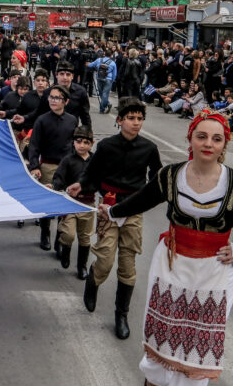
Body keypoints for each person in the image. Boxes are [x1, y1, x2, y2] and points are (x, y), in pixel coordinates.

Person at [94, 110, 233, 386]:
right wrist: (112, 212)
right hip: (172, 265)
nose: (208, 143)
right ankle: (154, 374)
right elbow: (140, 200)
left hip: (215, 272)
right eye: (202, 136)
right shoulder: (171, 176)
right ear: (190, 138)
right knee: (164, 332)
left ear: (224, 145)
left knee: (198, 345)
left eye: (216, 139)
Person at [67, 97, 162, 339]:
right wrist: (82, 185)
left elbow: (157, 179)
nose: (136, 123)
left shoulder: (149, 148)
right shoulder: (107, 146)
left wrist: (153, 194)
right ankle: (93, 281)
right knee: (106, 260)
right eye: (131, 118)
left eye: (140, 119)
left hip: (133, 210)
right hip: (107, 208)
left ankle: (121, 314)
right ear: (119, 120)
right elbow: (91, 173)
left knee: (128, 265)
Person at [29, 85, 77, 250]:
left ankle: (59, 237)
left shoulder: (72, 120)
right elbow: (34, 145)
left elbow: (75, 145)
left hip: (67, 167)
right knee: (48, 203)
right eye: (51, 97)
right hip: (48, 165)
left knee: (63, 203)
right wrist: (35, 166)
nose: (53, 100)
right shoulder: (42, 120)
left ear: (66, 101)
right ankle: (45, 233)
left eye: (57, 98)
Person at [52, 125, 95, 279]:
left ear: (92, 143)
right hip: (69, 203)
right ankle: (65, 250)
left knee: (85, 236)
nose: (82, 145)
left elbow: (100, 180)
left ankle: (82, 266)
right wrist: (55, 186)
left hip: (88, 204)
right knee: (69, 234)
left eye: (85, 142)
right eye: (78, 141)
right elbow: (58, 177)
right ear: (73, 143)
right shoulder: (68, 160)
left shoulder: (95, 161)